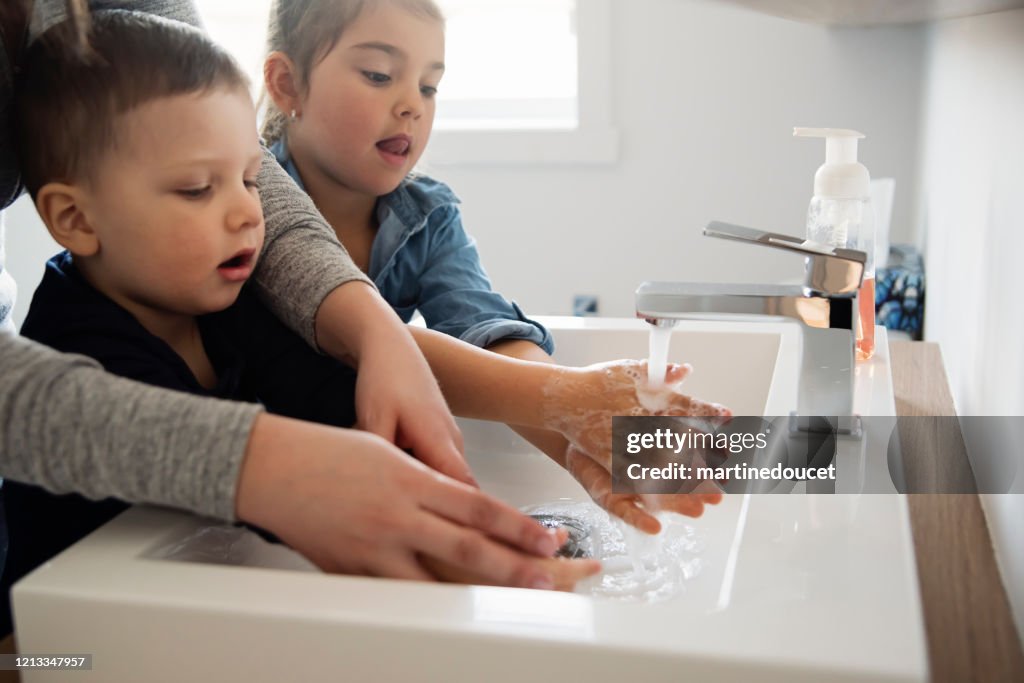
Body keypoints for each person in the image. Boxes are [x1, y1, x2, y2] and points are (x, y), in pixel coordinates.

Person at [0, 0, 579, 623]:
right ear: (76, 219)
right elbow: (267, 495)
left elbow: (340, 401)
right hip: (61, 648)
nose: (250, 214)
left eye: (252, 180)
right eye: (199, 188)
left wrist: (494, 518)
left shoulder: (239, 299)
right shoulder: (78, 341)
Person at [259, 0, 728, 532]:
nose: (412, 103)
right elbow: (352, 346)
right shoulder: (239, 203)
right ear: (287, 84)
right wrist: (572, 400)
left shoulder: (429, 217)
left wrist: (577, 432)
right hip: (273, 485)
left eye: (429, 86)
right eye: (379, 74)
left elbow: (482, 327)